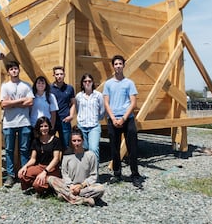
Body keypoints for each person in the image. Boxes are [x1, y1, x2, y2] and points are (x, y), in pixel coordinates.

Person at [103, 55, 143, 188]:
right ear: (113, 66)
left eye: (120, 63)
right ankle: (117, 174)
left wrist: (124, 118)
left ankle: (135, 175)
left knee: (132, 148)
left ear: (124, 66)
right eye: (116, 64)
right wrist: (114, 118)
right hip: (113, 120)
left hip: (128, 119)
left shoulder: (129, 83)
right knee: (114, 149)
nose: (118, 66)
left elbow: (133, 103)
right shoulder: (108, 84)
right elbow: (106, 103)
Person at [47, 127, 105, 207]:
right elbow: (65, 174)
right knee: (51, 179)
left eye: (79, 140)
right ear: (71, 142)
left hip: (84, 186)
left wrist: (81, 186)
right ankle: (82, 200)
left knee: (100, 188)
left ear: (83, 141)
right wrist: (72, 186)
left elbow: (94, 175)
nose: (76, 143)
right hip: (70, 186)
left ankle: (67, 196)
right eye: (74, 141)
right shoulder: (67, 156)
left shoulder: (90, 155)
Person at [0, 61, 34, 188]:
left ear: (19, 70)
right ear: (8, 72)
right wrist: (21, 100)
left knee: (24, 150)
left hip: (24, 122)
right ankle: (11, 175)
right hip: (9, 123)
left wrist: (12, 102)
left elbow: (30, 102)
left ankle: (25, 175)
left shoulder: (26, 85)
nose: (14, 71)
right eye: (11, 69)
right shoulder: (5, 86)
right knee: (9, 150)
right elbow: (3, 104)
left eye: (16, 69)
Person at [18, 116, 62, 195]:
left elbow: (56, 159)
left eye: (46, 126)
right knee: (22, 175)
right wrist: (24, 167)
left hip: (51, 169)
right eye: (41, 126)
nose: (43, 128)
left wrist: (45, 172)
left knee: (37, 185)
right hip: (40, 167)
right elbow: (33, 159)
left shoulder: (56, 140)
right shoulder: (36, 141)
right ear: (38, 128)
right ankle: (40, 183)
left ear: (49, 127)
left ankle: (47, 187)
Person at [75, 73, 105, 174]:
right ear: (82, 83)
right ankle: (83, 172)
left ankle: (94, 174)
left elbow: (102, 110)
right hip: (82, 126)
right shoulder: (79, 96)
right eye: (85, 81)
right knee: (82, 149)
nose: (87, 83)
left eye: (89, 81)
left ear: (93, 83)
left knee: (93, 148)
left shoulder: (98, 95)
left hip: (94, 126)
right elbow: (77, 109)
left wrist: (96, 118)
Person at [50, 66, 76, 149]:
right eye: (57, 74)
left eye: (61, 74)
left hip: (65, 120)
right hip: (52, 120)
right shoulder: (49, 88)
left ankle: (65, 162)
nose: (59, 76)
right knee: (50, 144)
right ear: (53, 75)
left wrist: (71, 116)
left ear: (64, 75)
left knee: (66, 145)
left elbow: (73, 103)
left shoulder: (69, 88)